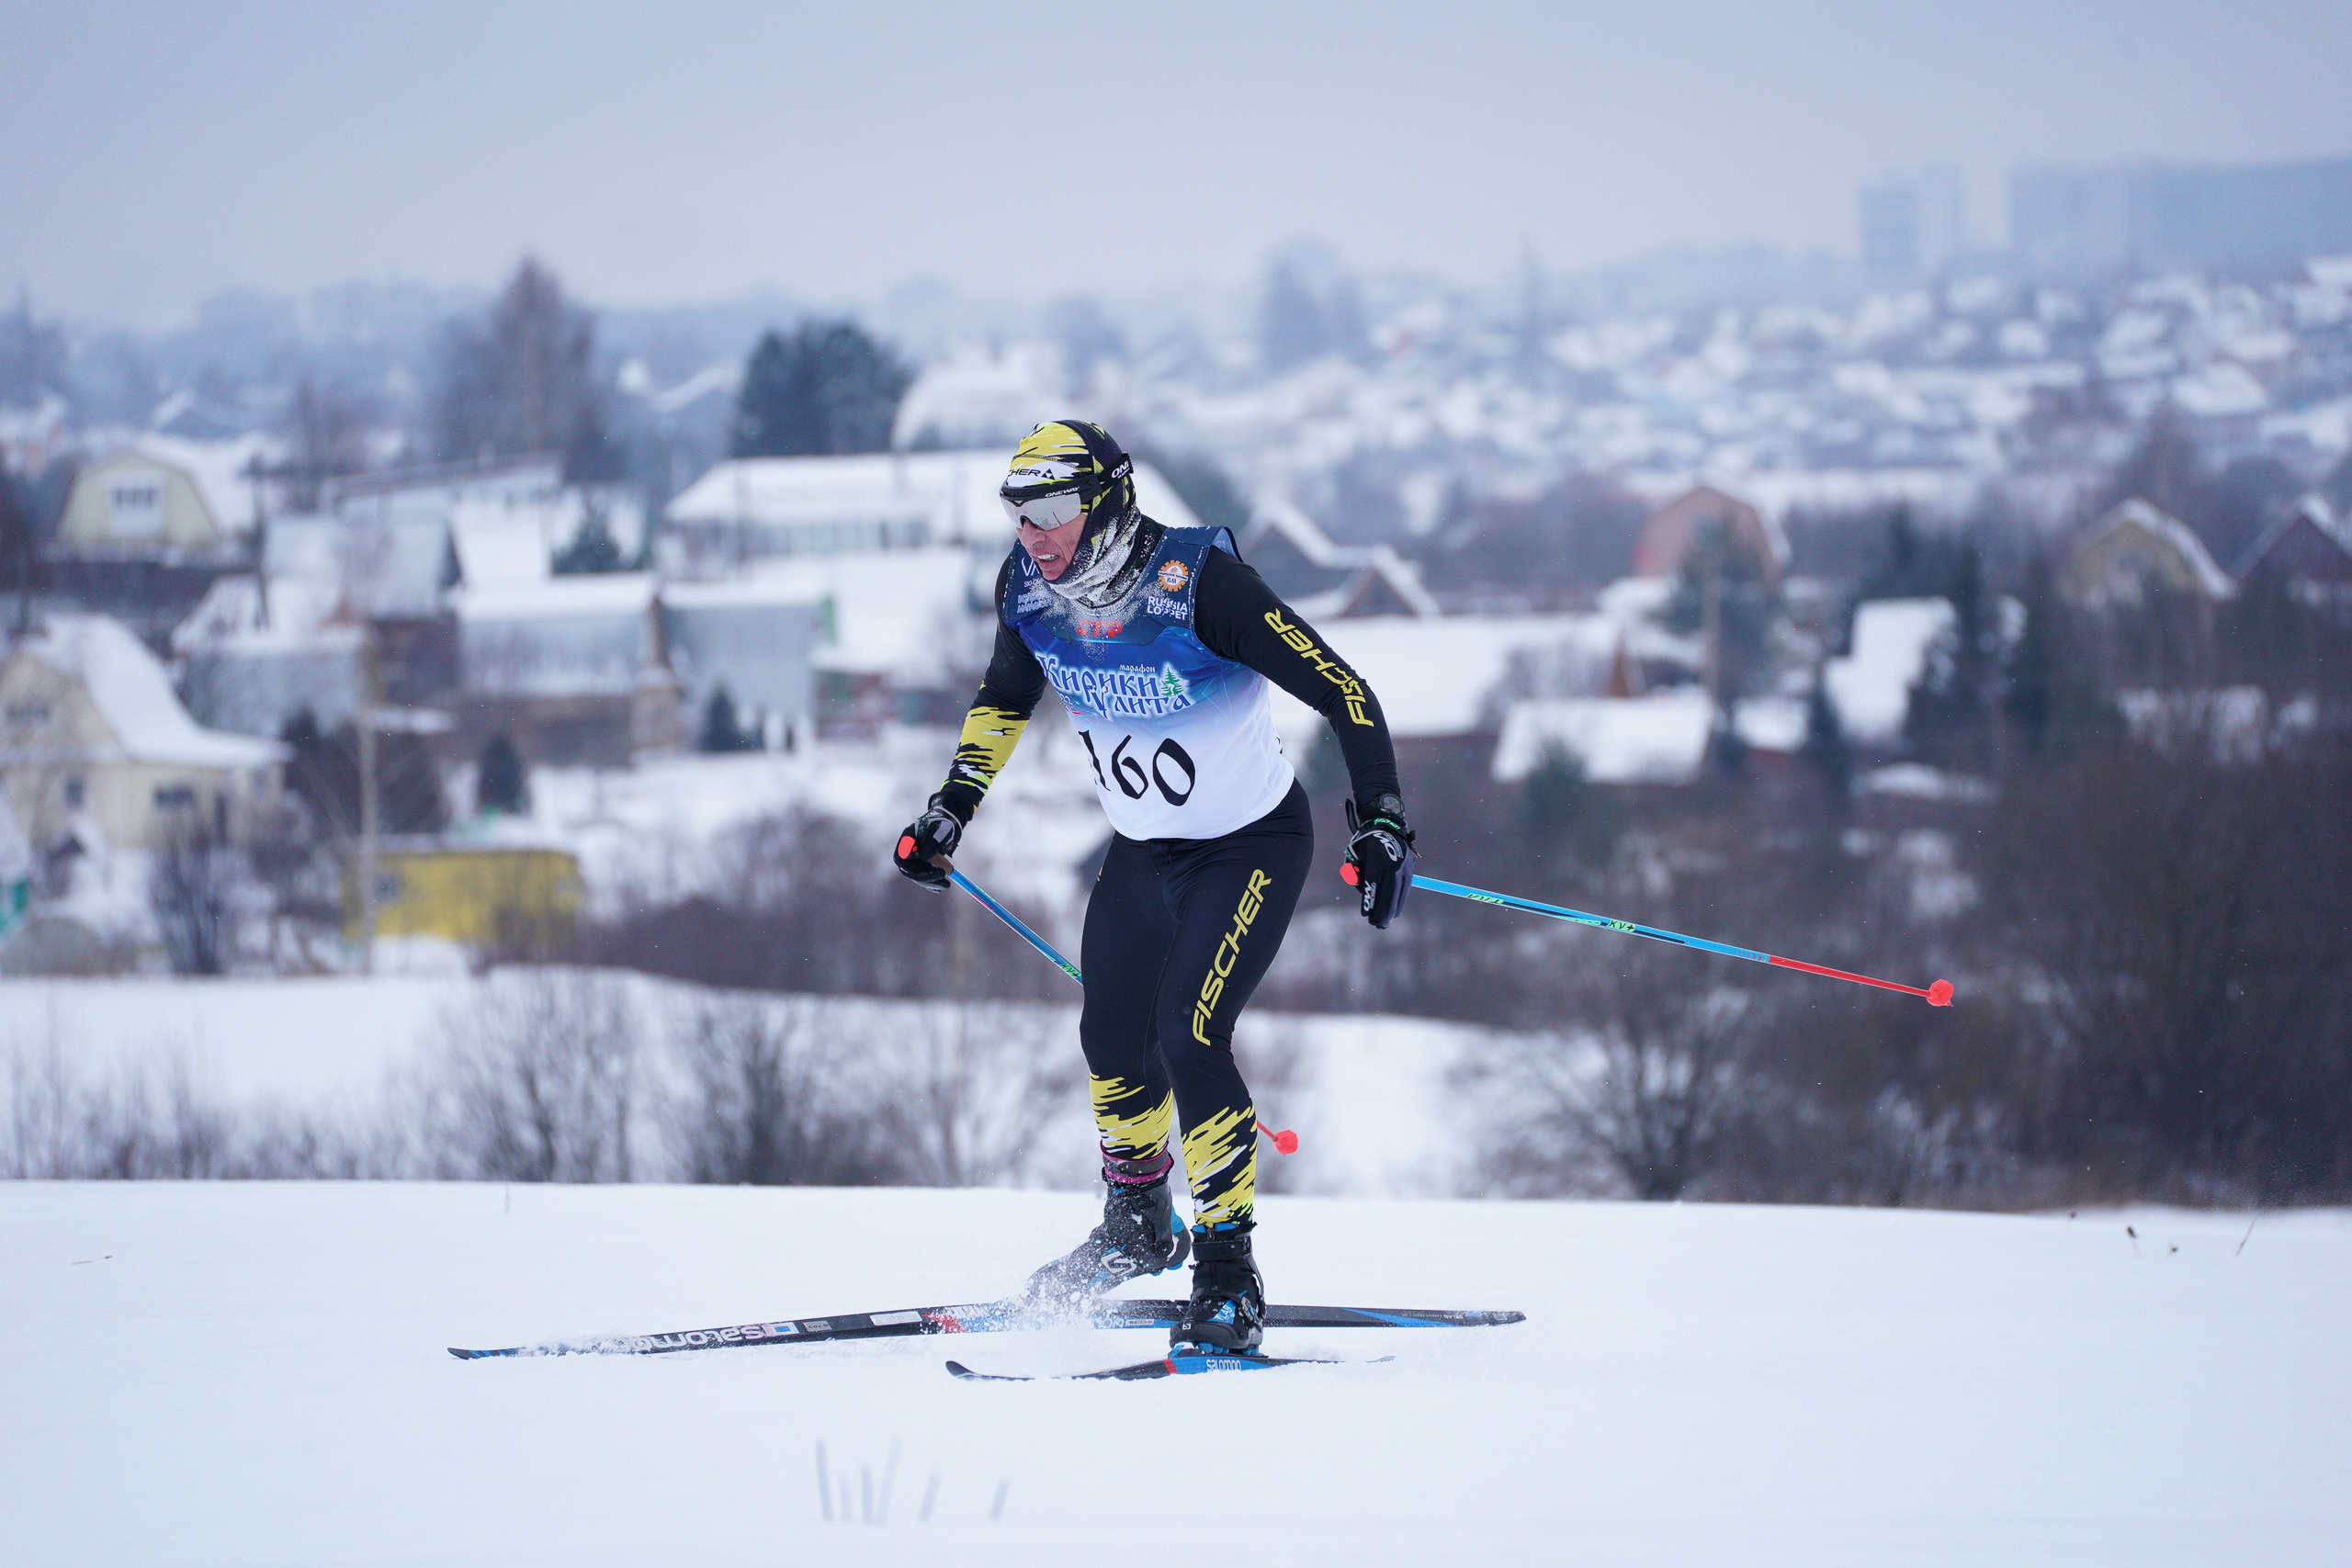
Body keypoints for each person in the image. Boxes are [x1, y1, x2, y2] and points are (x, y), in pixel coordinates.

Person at [892, 420, 1414, 1356]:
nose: (1033, 534)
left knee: (1189, 1033)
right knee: (1110, 1037)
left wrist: (1380, 819)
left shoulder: (1199, 585)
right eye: (1018, 514)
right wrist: (950, 809)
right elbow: (1005, 697)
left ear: (1106, 503)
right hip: (1141, 849)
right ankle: (1137, 1223)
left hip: (1249, 846)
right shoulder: (1027, 590)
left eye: (1052, 510)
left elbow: (1344, 690)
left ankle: (1228, 1271)